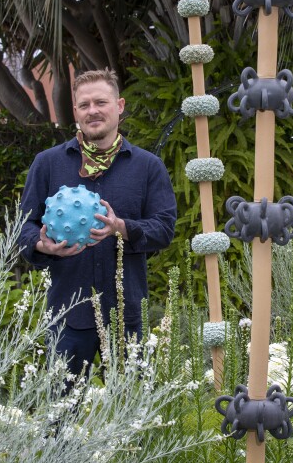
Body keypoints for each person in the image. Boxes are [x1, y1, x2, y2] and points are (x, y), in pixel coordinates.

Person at [18, 68, 176, 376]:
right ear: (75, 111)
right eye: (84, 105)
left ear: (119, 106)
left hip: (126, 315)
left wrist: (121, 228)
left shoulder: (147, 167)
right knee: (60, 418)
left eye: (101, 102)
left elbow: (165, 228)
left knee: (130, 416)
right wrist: (42, 244)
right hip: (67, 316)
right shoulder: (48, 164)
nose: (93, 111)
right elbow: (23, 227)